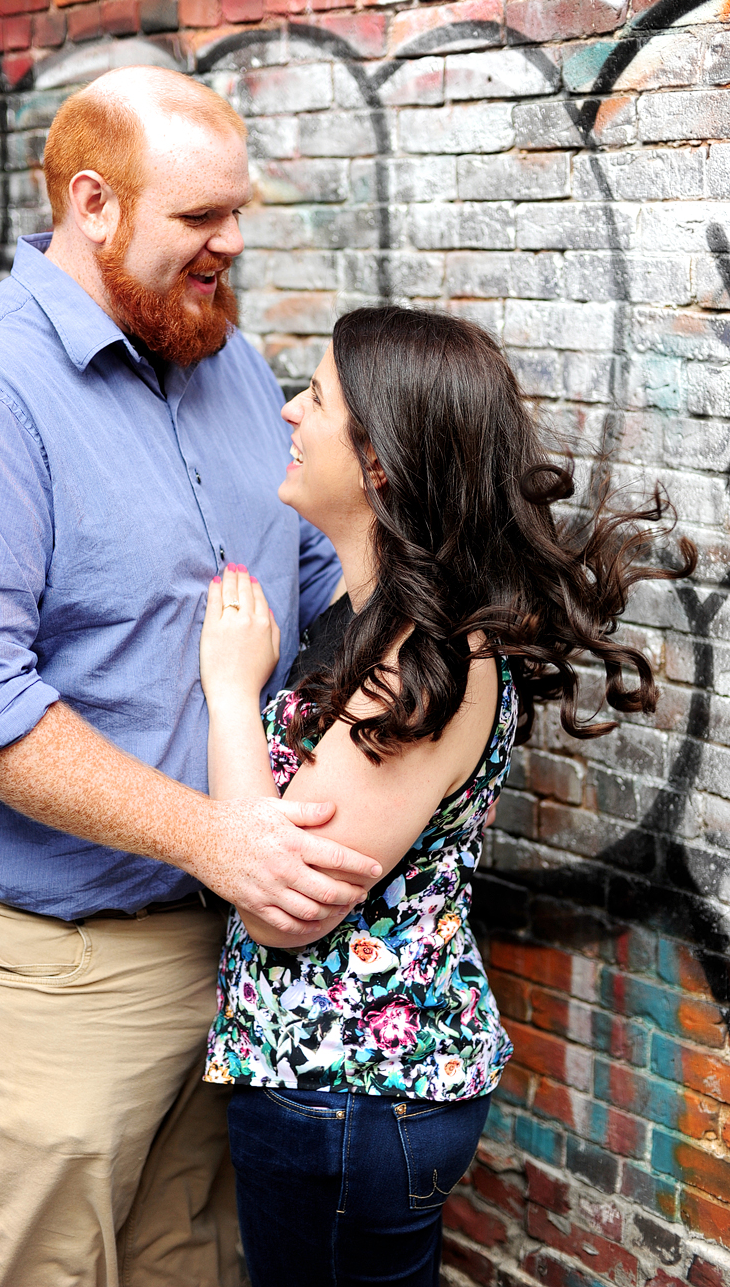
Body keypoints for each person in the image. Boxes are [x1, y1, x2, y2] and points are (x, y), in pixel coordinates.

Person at [0, 67, 381, 1287]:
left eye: (238, 212)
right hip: (56, 969)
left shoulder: (233, 364)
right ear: (93, 205)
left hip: (218, 944)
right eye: (200, 219)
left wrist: (456, 610)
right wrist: (218, 838)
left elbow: (308, 577)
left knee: (184, 1262)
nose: (232, 243)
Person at [198, 306, 695, 1287]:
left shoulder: (427, 657)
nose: (290, 414)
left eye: (318, 399)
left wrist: (226, 687)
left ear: (379, 462)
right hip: (337, 1092)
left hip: (345, 1093)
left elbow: (282, 904)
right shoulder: (373, 619)